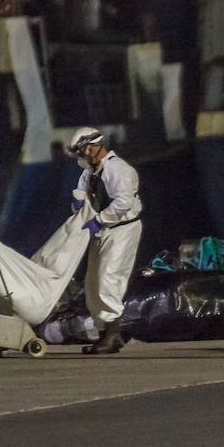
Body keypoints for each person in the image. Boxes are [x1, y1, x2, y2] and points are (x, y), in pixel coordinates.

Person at [69, 127, 143, 355]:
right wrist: (79, 205)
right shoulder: (91, 171)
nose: (79, 157)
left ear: (92, 147)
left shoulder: (118, 169)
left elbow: (123, 203)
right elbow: (82, 192)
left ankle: (113, 332)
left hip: (121, 229)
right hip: (103, 230)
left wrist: (99, 220)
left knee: (109, 277)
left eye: (81, 152)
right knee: (92, 284)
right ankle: (105, 333)